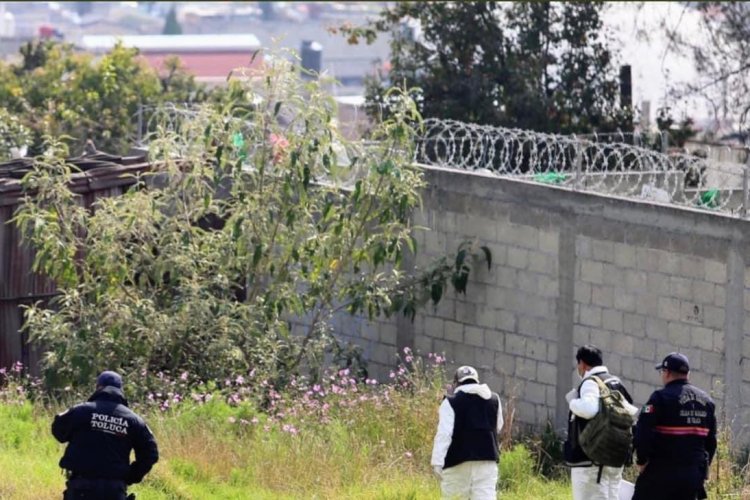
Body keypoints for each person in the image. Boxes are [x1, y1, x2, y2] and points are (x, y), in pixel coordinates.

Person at [52, 371, 159, 500]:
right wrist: (130, 477)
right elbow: (150, 454)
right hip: (114, 490)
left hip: (81, 488)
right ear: (120, 390)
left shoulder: (81, 411)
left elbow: (58, 431)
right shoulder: (134, 420)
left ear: (98, 387)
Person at [633, 352, 717, 500]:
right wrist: (700, 470)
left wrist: (641, 461)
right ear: (687, 374)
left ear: (667, 373)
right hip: (692, 479)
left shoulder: (659, 398)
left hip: (659, 475)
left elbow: (643, 433)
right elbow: (711, 442)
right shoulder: (707, 402)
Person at [564, 344, 633, 500]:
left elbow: (589, 409)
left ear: (582, 364)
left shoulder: (590, 382)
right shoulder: (616, 383)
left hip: (591, 461)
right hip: (614, 459)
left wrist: (573, 402)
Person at [430, 365, 503, 500]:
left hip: (457, 462)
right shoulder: (494, 400)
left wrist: (437, 463)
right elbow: (498, 426)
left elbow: (444, 435)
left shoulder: (450, 402)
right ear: (476, 381)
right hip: (487, 462)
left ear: (456, 383)